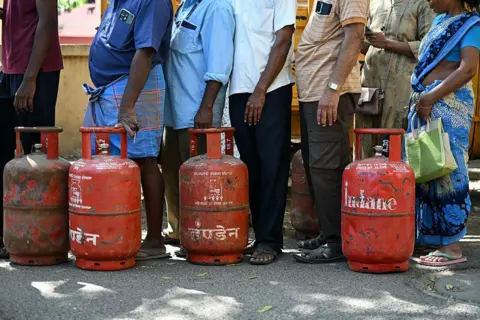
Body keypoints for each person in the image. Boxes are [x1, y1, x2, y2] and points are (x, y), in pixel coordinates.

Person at [82, 0, 173, 260]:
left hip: (133, 88)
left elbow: (145, 52)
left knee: (144, 160)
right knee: (100, 161)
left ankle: (154, 240)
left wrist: (127, 107)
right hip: (108, 90)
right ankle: (108, 230)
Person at [293, 0, 369, 263]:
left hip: (329, 93)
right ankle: (329, 234)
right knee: (317, 166)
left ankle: (337, 242)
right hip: (314, 92)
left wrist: (332, 89)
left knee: (327, 168)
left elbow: (355, 35)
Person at [407, 0, 480, 267]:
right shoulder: (438, 22)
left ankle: (452, 246)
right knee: (426, 169)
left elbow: (468, 68)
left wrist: (430, 97)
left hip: (449, 105)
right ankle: (431, 237)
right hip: (427, 103)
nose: (428, 0)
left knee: (449, 170)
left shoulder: (472, 25)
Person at [160, 0, 235, 257]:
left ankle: (200, 234)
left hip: (197, 112)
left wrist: (206, 108)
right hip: (173, 112)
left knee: (198, 180)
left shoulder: (217, 8)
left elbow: (219, 65)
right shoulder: (184, 7)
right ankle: (179, 231)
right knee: (172, 172)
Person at [228, 0, 296, 265]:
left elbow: (284, 39)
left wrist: (261, 90)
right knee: (250, 167)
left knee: (272, 165)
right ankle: (258, 236)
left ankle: (270, 240)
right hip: (239, 90)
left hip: (271, 89)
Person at [0, 0, 63, 259]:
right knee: (5, 154)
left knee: (40, 160)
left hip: (36, 74)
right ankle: (10, 234)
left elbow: (47, 22)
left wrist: (29, 79)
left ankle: (46, 237)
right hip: (9, 69)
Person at [356, 0, 436, 157]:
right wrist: (357, 40)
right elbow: (372, 46)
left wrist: (387, 43)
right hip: (369, 82)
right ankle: (363, 180)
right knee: (364, 137)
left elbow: (429, 47)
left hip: (401, 86)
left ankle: (392, 181)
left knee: (392, 141)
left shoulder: (422, 4)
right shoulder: (374, 3)